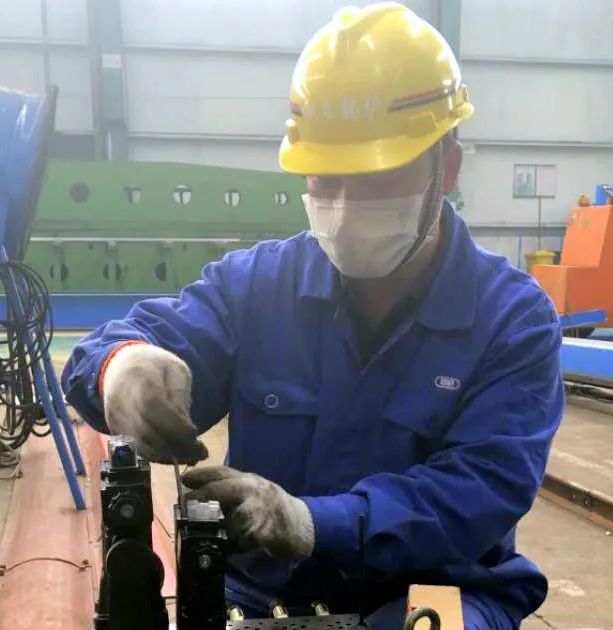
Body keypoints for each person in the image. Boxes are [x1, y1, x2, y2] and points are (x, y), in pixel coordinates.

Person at [62, 4, 563, 629]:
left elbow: (477, 492)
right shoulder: (258, 287)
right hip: (262, 596)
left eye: (376, 179)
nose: (346, 209)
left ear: (447, 169)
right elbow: (115, 349)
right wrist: (121, 368)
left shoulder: (512, 322)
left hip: (438, 588)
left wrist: (307, 521)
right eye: (327, 180)